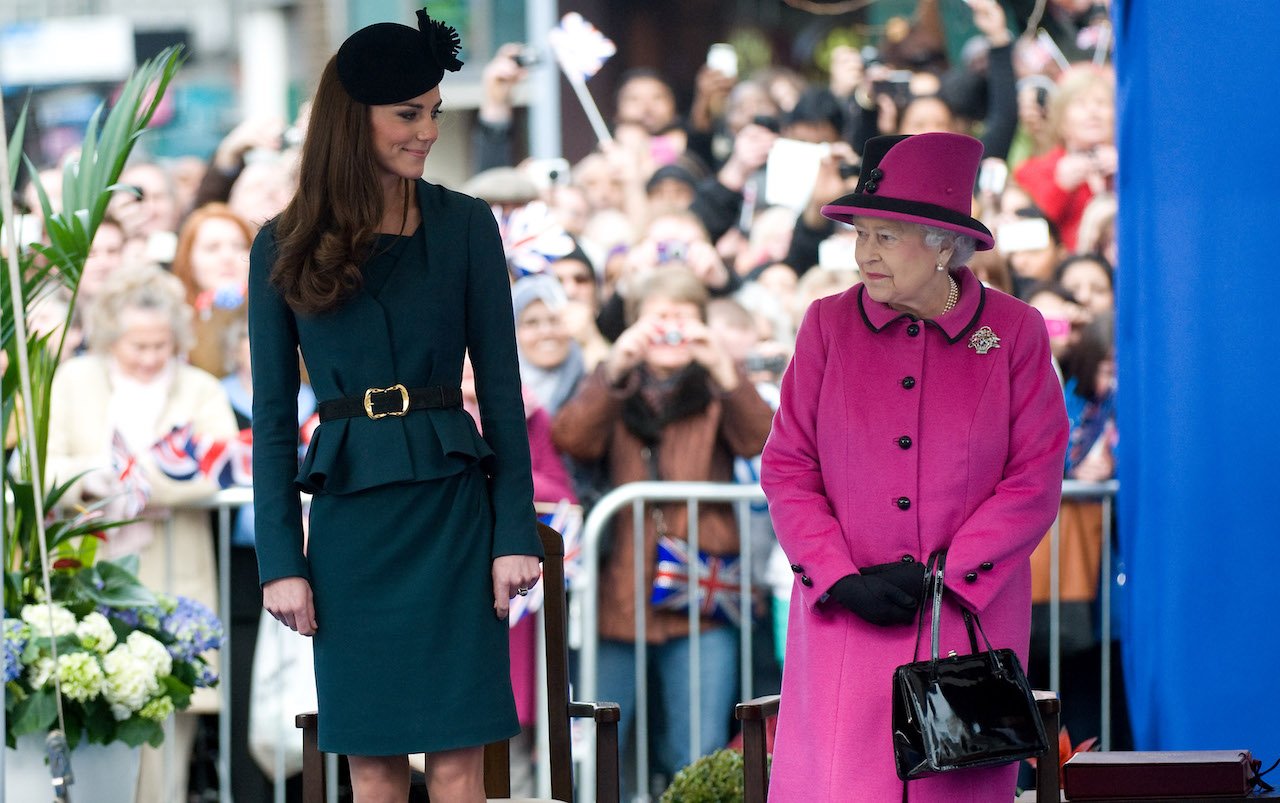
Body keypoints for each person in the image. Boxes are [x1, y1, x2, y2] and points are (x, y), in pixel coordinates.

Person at [247, 10, 543, 803]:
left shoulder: (469, 225)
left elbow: (506, 391)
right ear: (355, 119)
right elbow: (273, 418)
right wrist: (281, 560)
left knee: (457, 755)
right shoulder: (280, 243)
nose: (428, 130)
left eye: (434, 111)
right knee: (371, 759)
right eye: (408, 113)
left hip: (453, 514)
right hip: (348, 529)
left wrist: (514, 531)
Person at [760, 132, 1069, 801]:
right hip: (846, 619)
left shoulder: (1010, 334)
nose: (864, 253)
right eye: (861, 234)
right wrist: (839, 578)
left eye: (887, 235)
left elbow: (1035, 476)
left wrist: (952, 577)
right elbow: (787, 466)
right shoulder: (827, 326)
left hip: (963, 623)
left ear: (943, 244)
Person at [551, 265, 774, 788]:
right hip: (619, 591)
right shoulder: (614, 383)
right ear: (632, 326)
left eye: (684, 316)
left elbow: (762, 438)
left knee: (693, 749)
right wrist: (615, 368)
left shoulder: (719, 388)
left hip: (701, 595)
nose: (672, 328)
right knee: (607, 739)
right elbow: (574, 438)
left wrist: (723, 369)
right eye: (658, 317)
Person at [45, 264, 239, 803]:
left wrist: (138, 482)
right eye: (137, 346)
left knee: (168, 721)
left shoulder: (197, 387)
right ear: (110, 337)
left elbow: (218, 465)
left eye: (161, 344)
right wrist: (91, 478)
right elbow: (41, 466)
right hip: (91, 574)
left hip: (175, 575)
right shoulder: (75, 380)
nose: (151, 357)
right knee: (92, 707)